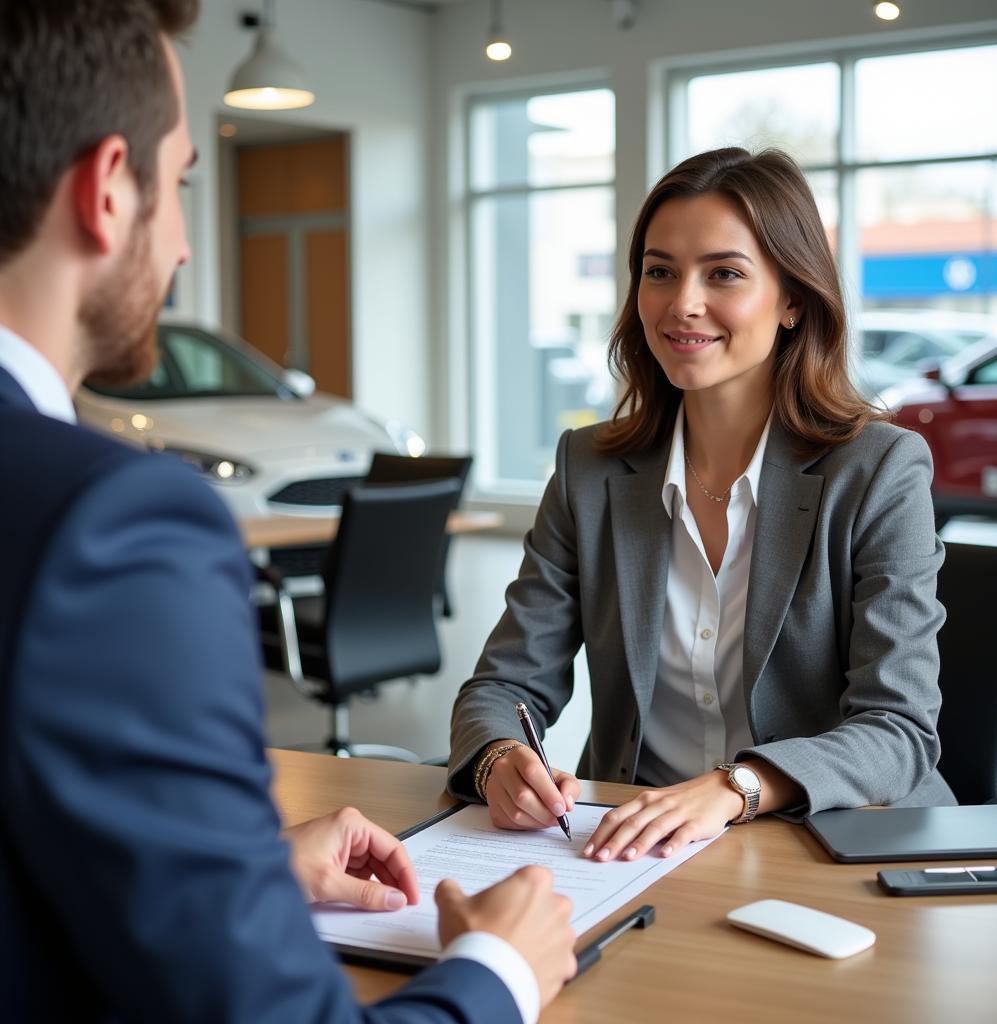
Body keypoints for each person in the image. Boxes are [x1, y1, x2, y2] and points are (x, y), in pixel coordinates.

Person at [0, 2, 575, 1021]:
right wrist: (500, 973)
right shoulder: (115, 523)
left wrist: (238, 868)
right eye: (178, 186)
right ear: (103, 191)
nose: (181, 245)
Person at [448, 146, 956, 861]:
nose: (682, 303)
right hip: (632, 846)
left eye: (724, 274)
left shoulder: (878, 470)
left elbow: (898, 729)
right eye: (660, 272)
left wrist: (735, 787)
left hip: (828, 844)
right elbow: (504, 683)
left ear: (791, 300)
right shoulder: (590, 468)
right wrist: (499, 759)